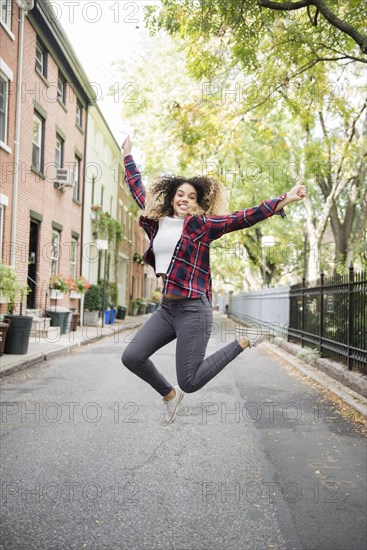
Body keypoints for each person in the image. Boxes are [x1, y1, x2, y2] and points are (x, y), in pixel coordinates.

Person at [121, 136, 306, 424]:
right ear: (172, 197)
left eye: (192, 197)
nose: (185, 199)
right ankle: (170, 396)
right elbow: (137, 190)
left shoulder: (202, 226)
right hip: (167, 309)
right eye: (180, 194)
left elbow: (242, 217)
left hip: (194, 310)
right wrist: (127, 156)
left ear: (197, 204)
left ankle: (243, 342)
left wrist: (283, 199)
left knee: (191, 381)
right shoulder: (158, 222)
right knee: (131, 357)